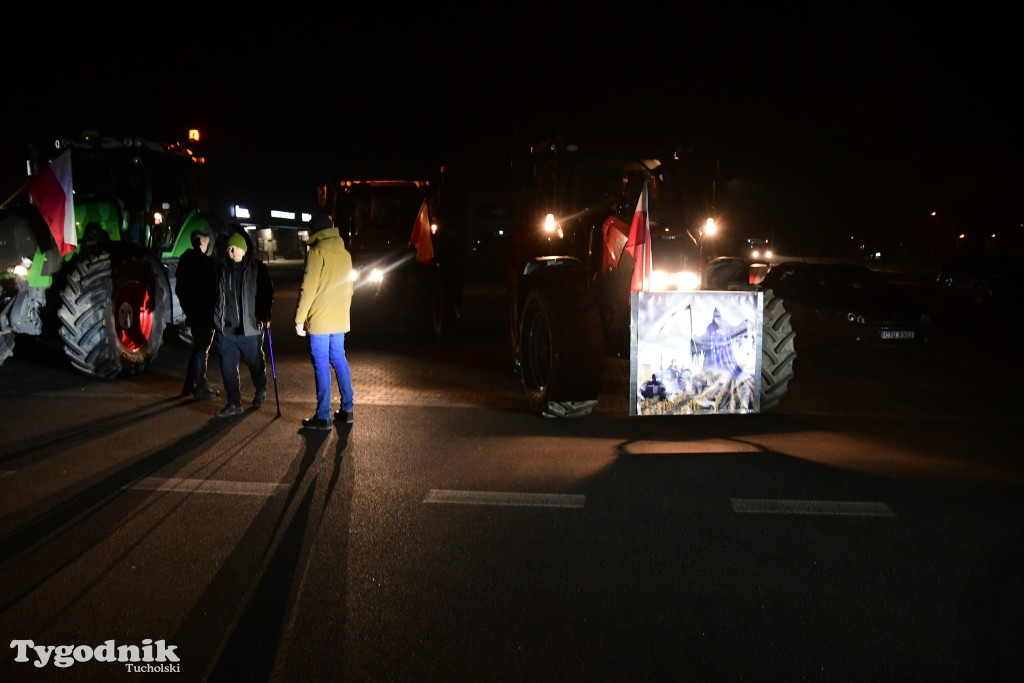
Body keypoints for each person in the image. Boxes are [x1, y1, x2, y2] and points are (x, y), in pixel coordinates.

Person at [294, 212, 355, 430]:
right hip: (339, 319)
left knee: (321, 364)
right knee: (339, 359)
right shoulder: (345, 254)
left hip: (320, 319)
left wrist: (300, 319)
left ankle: (323, 416)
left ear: (315, 232)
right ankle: (347, 410)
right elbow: (350, 289)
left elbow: (308, 289)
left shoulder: (316, 252)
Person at [212, 228, 275, 418]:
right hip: (227, 330)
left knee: (255, 363)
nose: (232, 252)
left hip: (250, 328)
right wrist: (217, 321)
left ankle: (261, 388)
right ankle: (233, 403)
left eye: (236, 248)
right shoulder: (222, 269)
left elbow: (267, 294)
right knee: (228, 367)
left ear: (244, 249)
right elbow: (216, 296)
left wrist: (265, 316)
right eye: (230, 249)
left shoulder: (257, 268)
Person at [175, 226, 219, 400]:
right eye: (207, 243)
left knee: (198, 348)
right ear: (201, 243)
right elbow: (212, 290)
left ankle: (189, 385)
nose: (209, 247)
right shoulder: (205, 264)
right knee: (202, 349)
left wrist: (187, 307)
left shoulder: (184, 261)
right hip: (204, 313)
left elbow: (180, 289)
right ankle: (200, 387)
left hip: (193, 313)